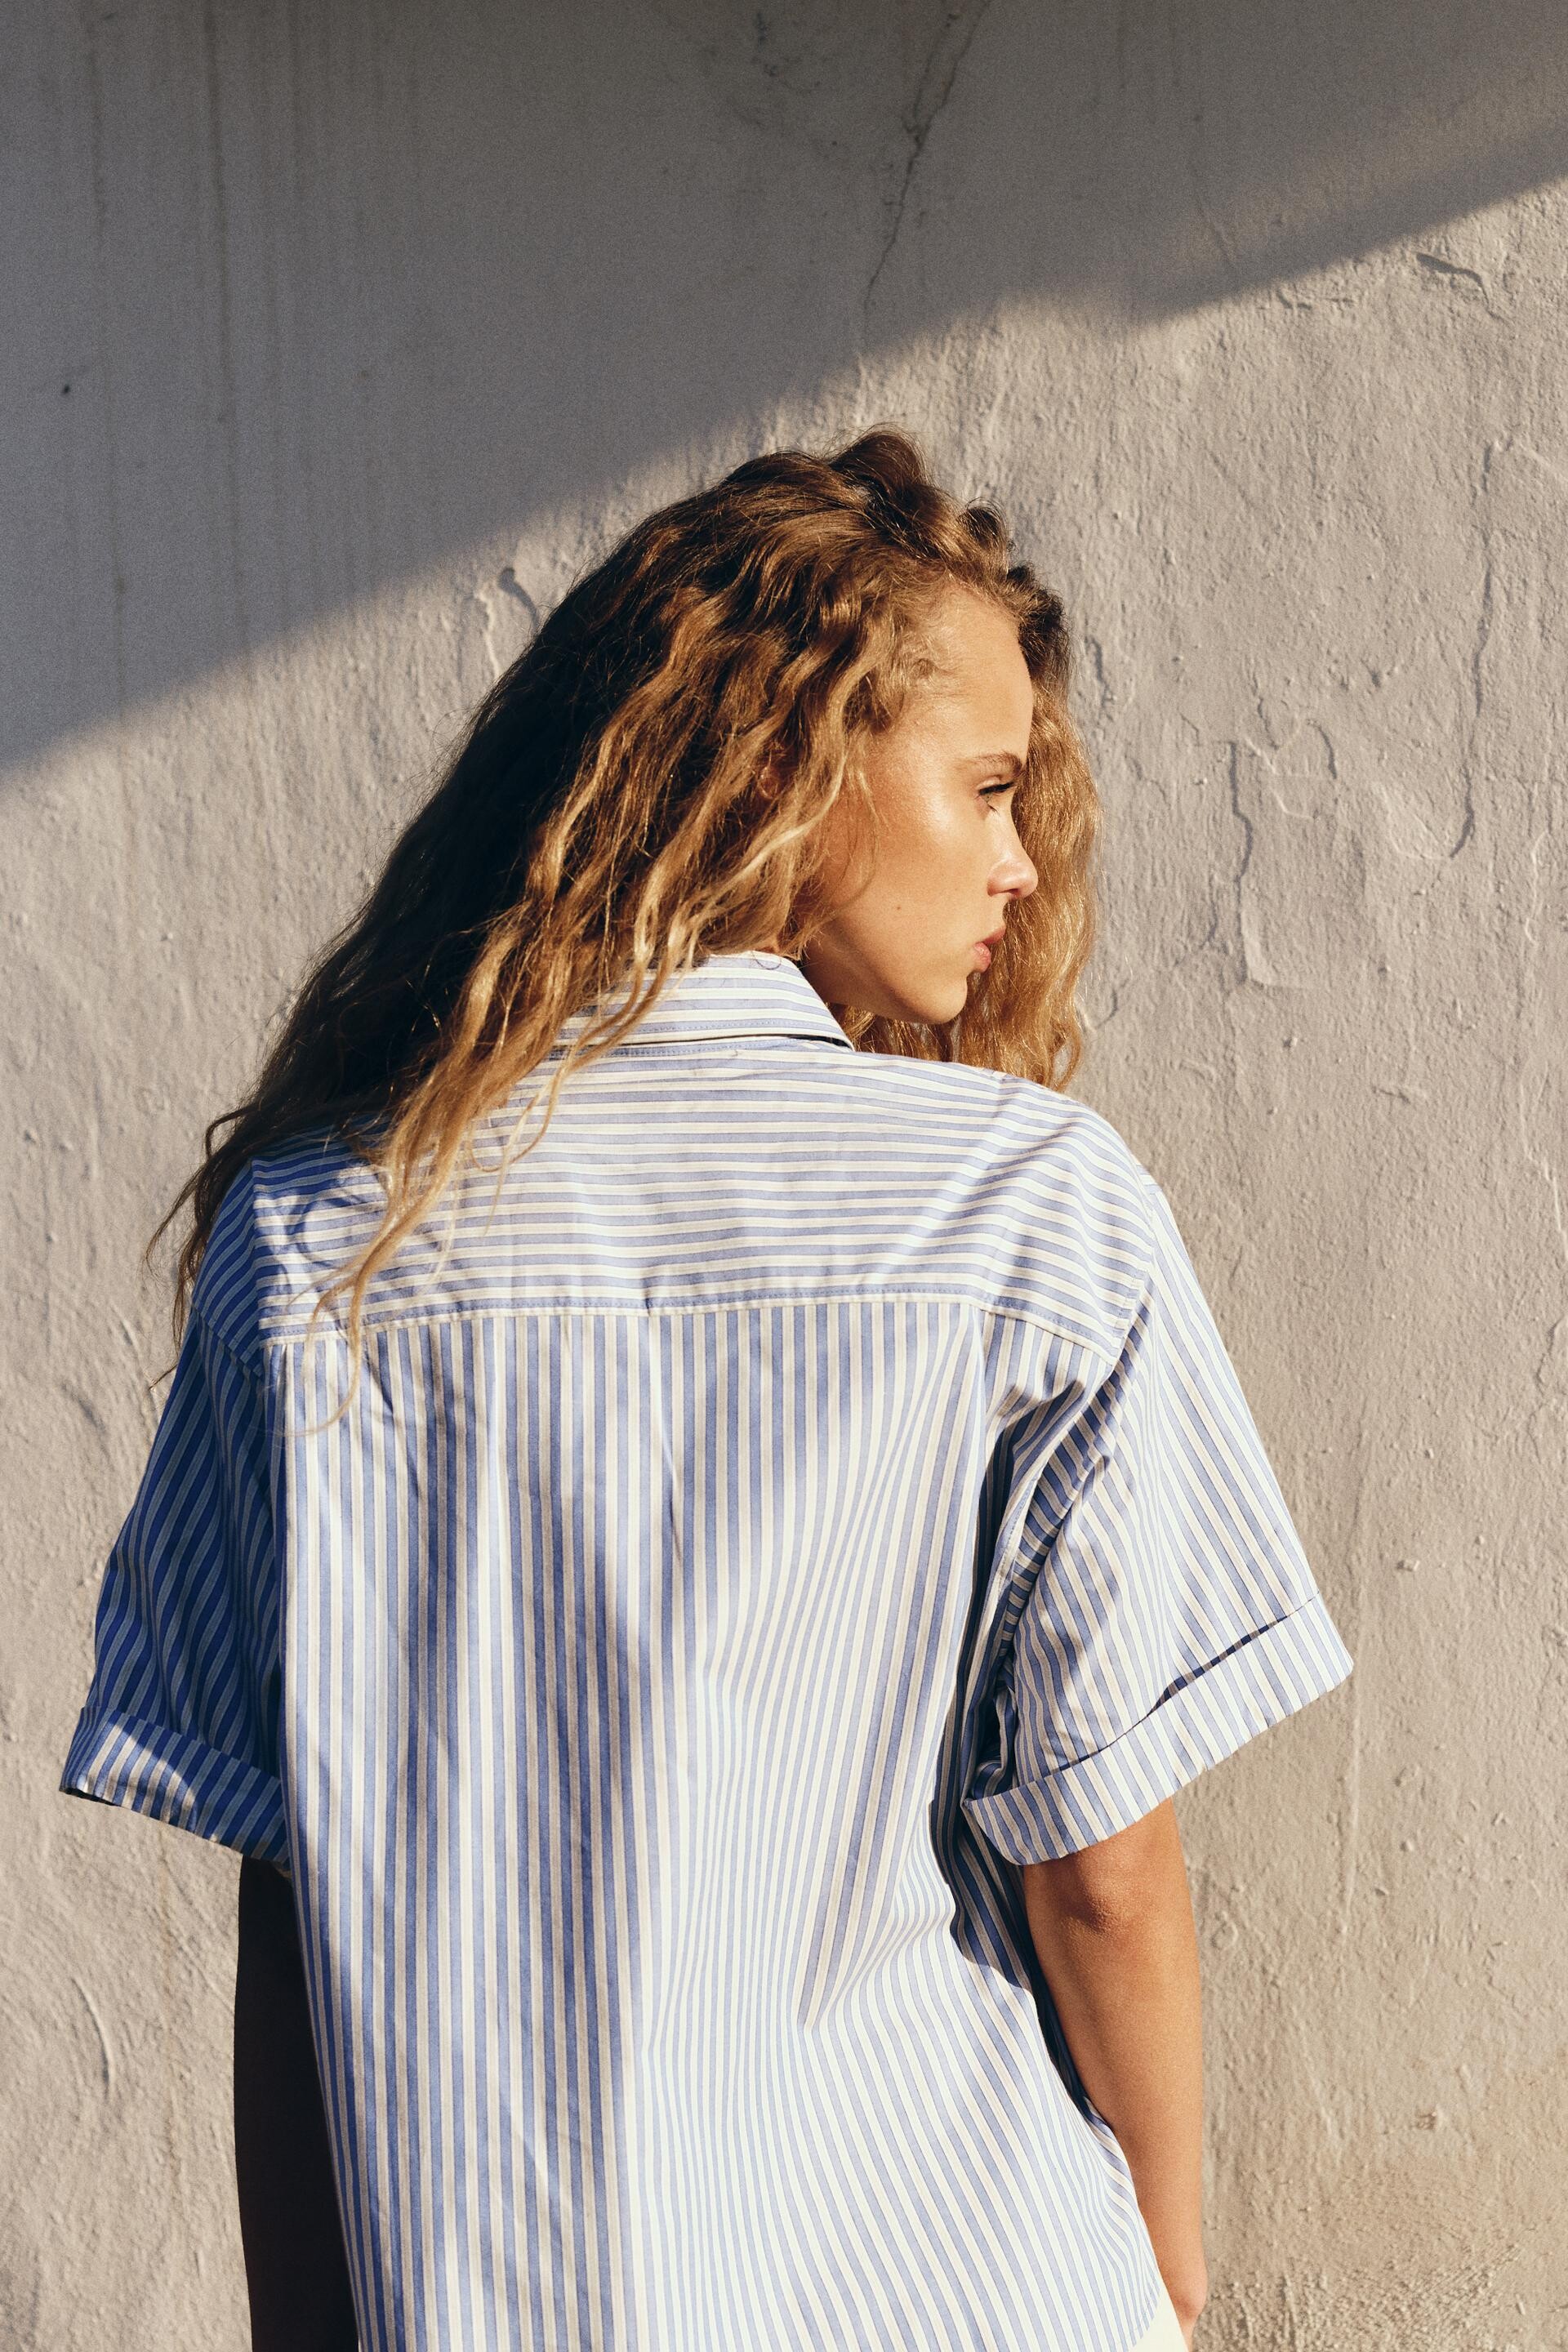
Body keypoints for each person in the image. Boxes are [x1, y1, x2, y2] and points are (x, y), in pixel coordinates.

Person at [59, 427, 1353, 2352]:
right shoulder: (1025, 1208)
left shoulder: (318, 1237)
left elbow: (296, 1909)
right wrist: (1167, 2274)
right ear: (776, 762)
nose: (1021, 864)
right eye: (990, 787)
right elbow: (1104, 1869)